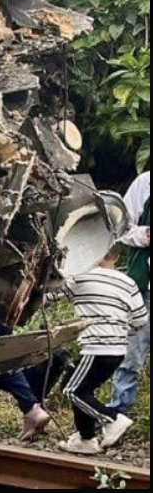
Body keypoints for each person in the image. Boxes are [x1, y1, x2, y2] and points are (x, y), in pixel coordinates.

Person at [59, 248, 149, 455]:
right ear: (116, 256)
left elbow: (51, 295)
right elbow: (140, 320)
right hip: (117, 350)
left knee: (71, 390)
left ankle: (112, 419)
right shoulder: (128, 282)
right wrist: (121, 330)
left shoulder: (80, 277)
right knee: (82, 390)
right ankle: (86, 439)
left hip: (95, 347)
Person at [109, 171, 150, 415]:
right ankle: (118, 413)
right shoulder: (145, 183)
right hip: (143, 288)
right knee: (131, 356)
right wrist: (145, 235)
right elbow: (120, 226)